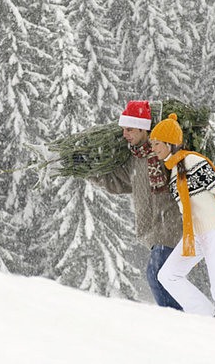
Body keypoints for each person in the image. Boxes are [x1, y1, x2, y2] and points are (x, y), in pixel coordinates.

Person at [149, 113, 215, 323]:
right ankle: (208, 318)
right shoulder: (174, 172)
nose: (154, 148)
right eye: (152, 143)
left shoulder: (192, 161)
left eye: (157, 143)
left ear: (170, 143)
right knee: (167, 275)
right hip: (194, 237)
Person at [87, 101, 183, 310]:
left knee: (156, 275)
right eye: (123, 130)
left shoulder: (163, 150)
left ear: (143, 128)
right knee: (165, 279)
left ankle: (178, 322)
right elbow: (117, 182)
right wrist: (87, 170)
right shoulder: (135, 159)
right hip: (154, 230)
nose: (125, 135)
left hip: (172, 226)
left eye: (129, 129)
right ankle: (188, 318)